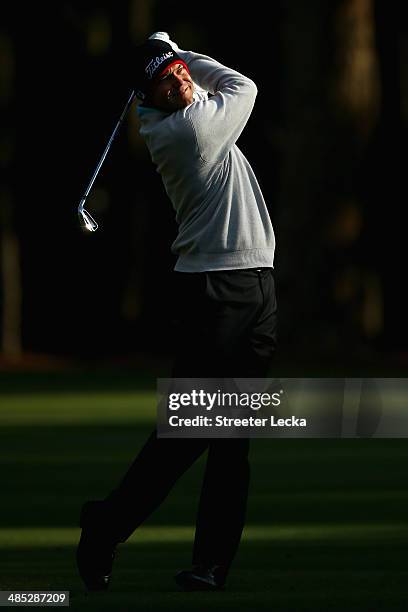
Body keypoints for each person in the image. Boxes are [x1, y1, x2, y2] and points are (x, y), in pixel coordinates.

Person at [76, 31, 277, 592]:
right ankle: (107, 524)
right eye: (168, 79)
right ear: (149, 97)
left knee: (233, 436)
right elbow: (245, 85)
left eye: (181, 71)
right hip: (214, 292)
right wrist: (183, 49)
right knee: (190, 432)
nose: (182, 78)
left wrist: (172, 55)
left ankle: (210, 564)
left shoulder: (176, 110)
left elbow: (193, 80)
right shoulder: (187, 131)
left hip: (255, 287)